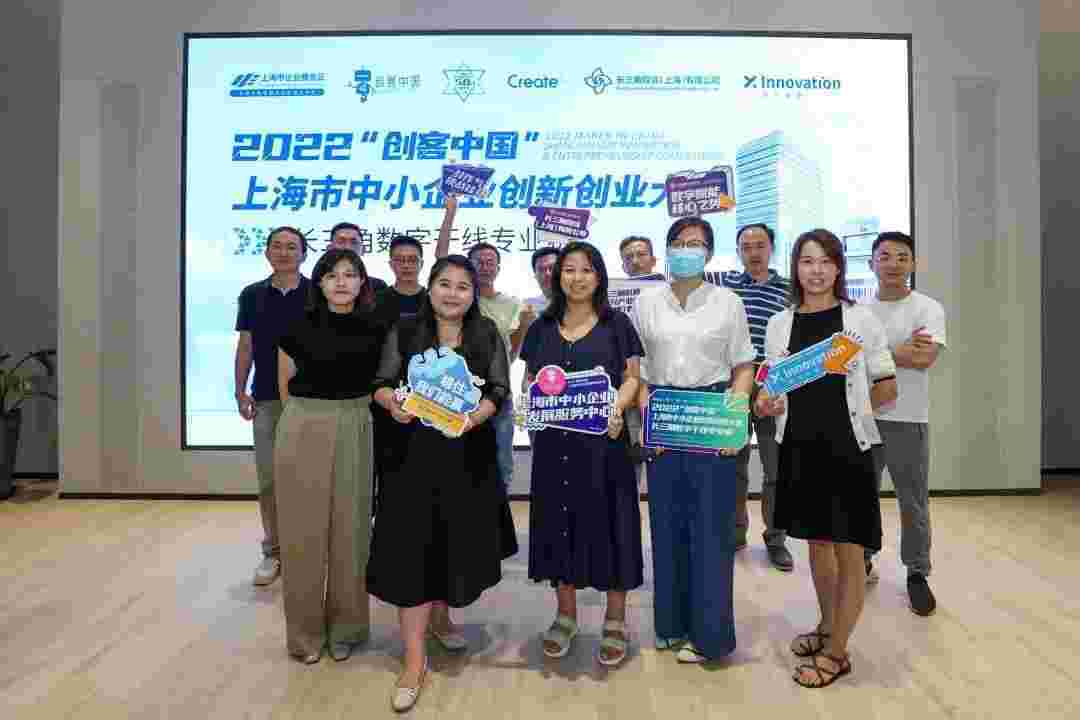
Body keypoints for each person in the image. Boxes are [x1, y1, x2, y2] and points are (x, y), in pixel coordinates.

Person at [367, 255, 518, 712]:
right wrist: (392, 403)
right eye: (445, 284)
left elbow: (498, 389)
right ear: (430, 287)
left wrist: (477, 417)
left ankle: (441, 617)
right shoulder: (405, 330)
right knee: (411, 553)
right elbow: (381, 383)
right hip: (410, 458)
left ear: (474, 294)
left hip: (466, 458)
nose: (453, 293)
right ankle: (414, 661)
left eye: (463, 286)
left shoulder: (485, 332)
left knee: (450, 543)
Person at [756, 228, 897, 689]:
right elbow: (771, 389)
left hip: (848, 449)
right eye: (807, 261)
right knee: (818, 545)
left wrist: (856, 403)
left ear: (838, 267)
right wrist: (767, 402)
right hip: (799, 447)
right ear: (795, 268)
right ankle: (827, 626)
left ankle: (838, 653)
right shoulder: (780, 324)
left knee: (849, 549)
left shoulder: (860, 321)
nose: (816, 271)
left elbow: (887, 387)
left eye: (825, 261)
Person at [634, 217, 756, 664]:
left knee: (711, 530)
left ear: (709, 253)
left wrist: (735, 421)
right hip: (665, 417)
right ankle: (670, 625)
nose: (688, 249)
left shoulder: (728, 302)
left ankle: (710, 636)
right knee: (666, 526)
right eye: (680, 242)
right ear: (667, 249)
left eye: (697, 244)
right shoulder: (647, 301)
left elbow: (743, 366)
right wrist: (649, 421)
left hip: (711, 418)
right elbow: (637, 369)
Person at [520, 241, 644, 667]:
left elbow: (632, 378)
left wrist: (617, 407)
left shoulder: (617, 324)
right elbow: (531, 379)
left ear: (599, 277)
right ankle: (566, 615)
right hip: (554, 446)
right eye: (569, 269)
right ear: (558, 277)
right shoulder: (541, 326)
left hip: (605, 444)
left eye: (586, 269)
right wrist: (529, 404)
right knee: (559, 525)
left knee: (613, 525)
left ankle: (615, 620)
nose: (577, 277)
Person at [273, 247, 386, 664]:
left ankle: (347, 630)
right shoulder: (296, 325)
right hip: (304, 423)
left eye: (350, 274)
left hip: (357, 423)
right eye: (332, 274)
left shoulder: (377, 328)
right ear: (319, 282)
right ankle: (304, 636)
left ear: (362, 283)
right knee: (302, 534)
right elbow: (284, 386)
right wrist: (303, 423)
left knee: (351, 533)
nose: (341, 282)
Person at [864, 231, 946, 616]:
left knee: (912, 500)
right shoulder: (859, 312)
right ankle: (862, 560)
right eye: (885, 256)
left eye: (902, 256)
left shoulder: (927, 308)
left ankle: (917, 572)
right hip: (864, 416)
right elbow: (848, 362)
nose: (893, 263)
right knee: (860, 496)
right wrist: (898, 351)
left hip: (907, 417)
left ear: (912, 264)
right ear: (872, 263)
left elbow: (924, 358)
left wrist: (876, 354)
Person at [703, 223, 794, 571]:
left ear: (771, 248)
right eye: (746, 246)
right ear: (738, 251)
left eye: (760, 245)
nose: (753, 252)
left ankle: (776, 538)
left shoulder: (789, 289)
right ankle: (735, 532)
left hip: (773, 383)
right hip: (733, 382)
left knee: (775, 467)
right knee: (732, 464)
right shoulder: (724, 285)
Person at [234, 226, 310, 586]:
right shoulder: (252, 294)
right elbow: (245, 346)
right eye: (277, 246)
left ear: (303, 254)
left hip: (310, 401)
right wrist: (239, 391)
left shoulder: (317, 292)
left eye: (291, 247)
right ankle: (273, 552)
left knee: (308, 480)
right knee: (269, 481)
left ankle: (308, 551)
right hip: (265, 398)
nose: (284, 252)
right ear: (266, 252)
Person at [436, 195, 525, 491]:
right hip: (455, 388)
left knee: (501, 465)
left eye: (491, 262)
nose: (485, 267)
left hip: (498, 393)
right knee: (455, 464)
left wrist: (525, 326)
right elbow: (441, 259)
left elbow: (512, 352)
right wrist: (450, 214)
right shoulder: (459, 297)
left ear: (498, 267)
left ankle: (498, 519)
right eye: (479, 262)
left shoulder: (514, 304)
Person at [371, 235, 429, 510]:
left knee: (423, 471)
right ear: (391, 264)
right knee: (387, 467)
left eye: (412, 260)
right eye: (400, 260)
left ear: (421, 263)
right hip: (385, 398)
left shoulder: (434, 299)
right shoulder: (376, 302)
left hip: (429, 399)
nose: (406, 265)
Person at [329, 221, 388, 292]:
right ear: (329, 248)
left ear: (363, 250)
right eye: (341, 242)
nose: (348, 247)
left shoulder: (378, 286)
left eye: (354, 243)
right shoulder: (317, 284)